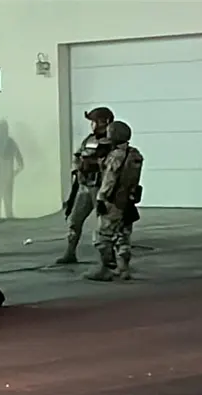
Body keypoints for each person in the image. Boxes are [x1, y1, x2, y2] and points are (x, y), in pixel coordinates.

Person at [85, 120, 144, 282]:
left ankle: (105, 268)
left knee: (102, 236)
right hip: (128, 200)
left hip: (113, 200)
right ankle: (123, 269)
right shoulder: (135, 154)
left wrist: (101, 198)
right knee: (123, 234)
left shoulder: (115, 156)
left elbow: (110, 180)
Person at [58, 106, 114, 264]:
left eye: (94, 121)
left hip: (101, 187)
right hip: (85, 186)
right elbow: (78, 155)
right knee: (74, 220)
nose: (92, 125)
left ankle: (108, 260)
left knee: (104, 225)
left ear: (104, 122)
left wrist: (95, 163)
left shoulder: (112, 142)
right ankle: (70, 253)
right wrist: (78, 168)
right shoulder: (89, 139)